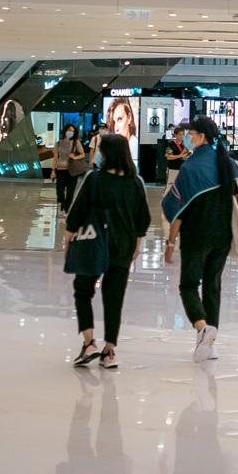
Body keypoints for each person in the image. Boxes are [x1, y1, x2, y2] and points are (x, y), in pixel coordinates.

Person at [161, 117, 238, 364]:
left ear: (201, 136)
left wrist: (170, 242)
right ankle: (209, 344)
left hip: (196, 235)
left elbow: (178, 210)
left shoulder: (191, 167)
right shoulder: (227, 163)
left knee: (188, 285)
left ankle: (202, 328)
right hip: (223, 236)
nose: (188, 137)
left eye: (191, 133)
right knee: (212, 286)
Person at [68, 132, 151, 370]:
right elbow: (143, 218)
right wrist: (137, 244)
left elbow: (78, 210)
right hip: (123, 245)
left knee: (83, 290)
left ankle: (89, 343)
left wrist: (69, 237)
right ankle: (109, 351)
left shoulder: (95, 179)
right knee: (114, 297)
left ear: (106, 154)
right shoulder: (136, 182)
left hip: (94, 243)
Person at [54, 124, 88, 212]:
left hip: (72, 170)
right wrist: (53, 170)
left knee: (70, 191)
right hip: (60, 170)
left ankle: (66, 209)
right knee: (60, 191)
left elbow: (83, 154)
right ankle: (62, 203)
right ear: (65, 131)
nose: (70, 132)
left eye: (72, 131)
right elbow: (55, 157)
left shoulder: (76, 142)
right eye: (69, 130)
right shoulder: (59, 143)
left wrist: (75, 157)